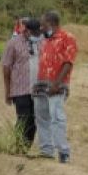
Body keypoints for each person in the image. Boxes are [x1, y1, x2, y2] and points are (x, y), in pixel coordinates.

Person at [33, 11, 77, 163]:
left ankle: (63, 152)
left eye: (43, 25)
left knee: (57, 118)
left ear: (51, 24)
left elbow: (68, 62)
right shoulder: (46, 41)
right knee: (41, 118)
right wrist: (36, 83)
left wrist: (56, 84)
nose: (41, 28)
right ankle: (46, 151)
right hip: (41, 85)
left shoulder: (67, 38)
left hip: (57, 86)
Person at [1, 17, 42, 150]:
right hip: (20, 88)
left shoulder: (41, 42)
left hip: (37, 88)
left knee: (34, 120)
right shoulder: (13, 43)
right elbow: (6, 67)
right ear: (27, 31)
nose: (37, 35)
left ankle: (25, 148)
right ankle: (17, 145)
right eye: (34, 32)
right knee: (23, 118)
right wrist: (7, 91)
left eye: (38, 32)